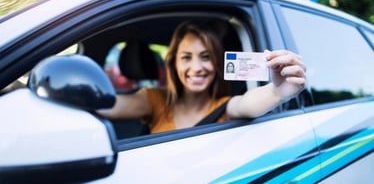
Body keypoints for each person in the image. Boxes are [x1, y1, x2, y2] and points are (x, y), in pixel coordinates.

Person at [98, 21, 306, 134]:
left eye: (206, 57)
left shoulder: (225, 107)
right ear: (174, 64)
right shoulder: (155, 100)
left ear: (217, 64)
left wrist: (277, 91)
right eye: (186, 57)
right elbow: (109, 105)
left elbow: (246, 104)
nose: (196, 68)